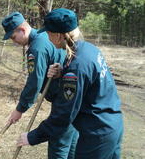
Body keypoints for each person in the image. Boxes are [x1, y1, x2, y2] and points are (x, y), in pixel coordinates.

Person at [16, 8, 123, 159]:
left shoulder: (76, 66)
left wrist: (33, 137)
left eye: (48, 33)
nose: (47, 37)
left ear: (58, 35)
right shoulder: (88, 50)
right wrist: (63, 72)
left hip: (96, 135)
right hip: (113, 125)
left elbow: (63, 115)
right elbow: (88, 83)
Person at [1, 12, 79, 158]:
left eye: (13, 36)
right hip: (73, 103)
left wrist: (20, 109)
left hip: (63, 104)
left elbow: (34, 83)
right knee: (72, 148)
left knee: (59, 149)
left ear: (22, 30)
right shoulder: (46, 38)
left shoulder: (37, 47)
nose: (14, 41)